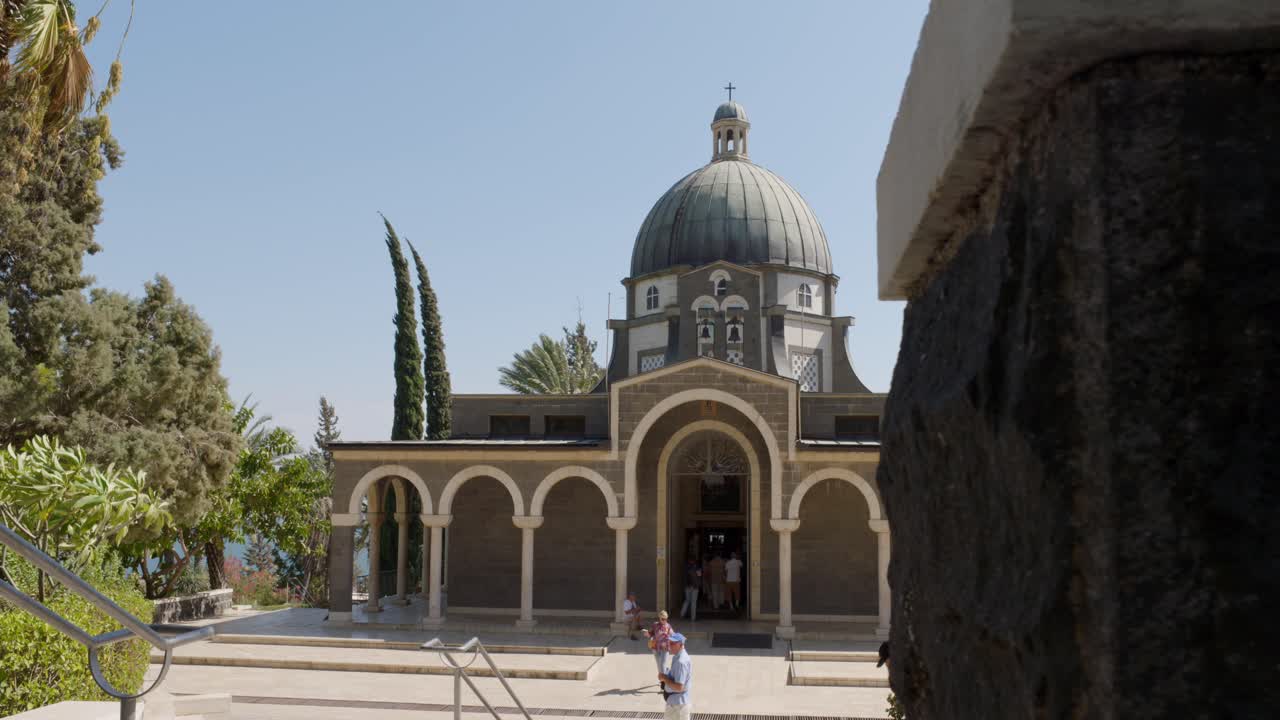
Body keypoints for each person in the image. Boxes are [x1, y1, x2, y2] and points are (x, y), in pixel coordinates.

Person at [658, 632, 693, 718]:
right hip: (676, 703)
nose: (670, 645)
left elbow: (679, 687)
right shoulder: (677, 656)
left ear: (680, 645)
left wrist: (665, 678)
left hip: (678, 706)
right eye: (669, 643)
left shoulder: (681, 662)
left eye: (673, 643)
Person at [642, 610, 673, 677]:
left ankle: (664, 681)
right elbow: (651, 633)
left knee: (663, 665)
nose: (664, 620)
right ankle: (662, 679)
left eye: (665, 619)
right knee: (659, 665)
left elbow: (673, 635)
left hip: (665, 648)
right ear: (659, 618)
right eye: (662, 619)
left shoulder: (668, 626)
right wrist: (647, 634)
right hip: (656, 648)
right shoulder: (655, 625)